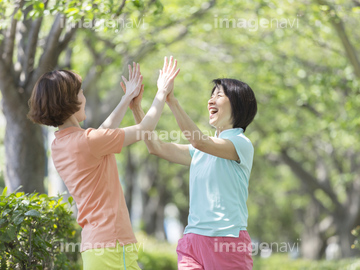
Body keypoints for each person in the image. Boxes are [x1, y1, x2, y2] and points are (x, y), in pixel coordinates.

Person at [27, 59, 180, 270]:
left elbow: (101, 135)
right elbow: (146, 128)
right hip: (114, 244)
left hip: (94, 247)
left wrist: (127, 99)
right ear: (69, 101)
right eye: (80, 92)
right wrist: (162, 91)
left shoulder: (60, 145)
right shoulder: (88, 142)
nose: (85, 97)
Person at [125, 56, 257, 270]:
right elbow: (156, 147)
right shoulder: (200, 150)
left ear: (238, 104)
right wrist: (136, 109)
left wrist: (171, 100)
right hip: (192, 240)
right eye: (211, 96)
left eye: (219, 95)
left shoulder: (240, 143)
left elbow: (199, 140)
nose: (210, 101)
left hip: (227, 242)